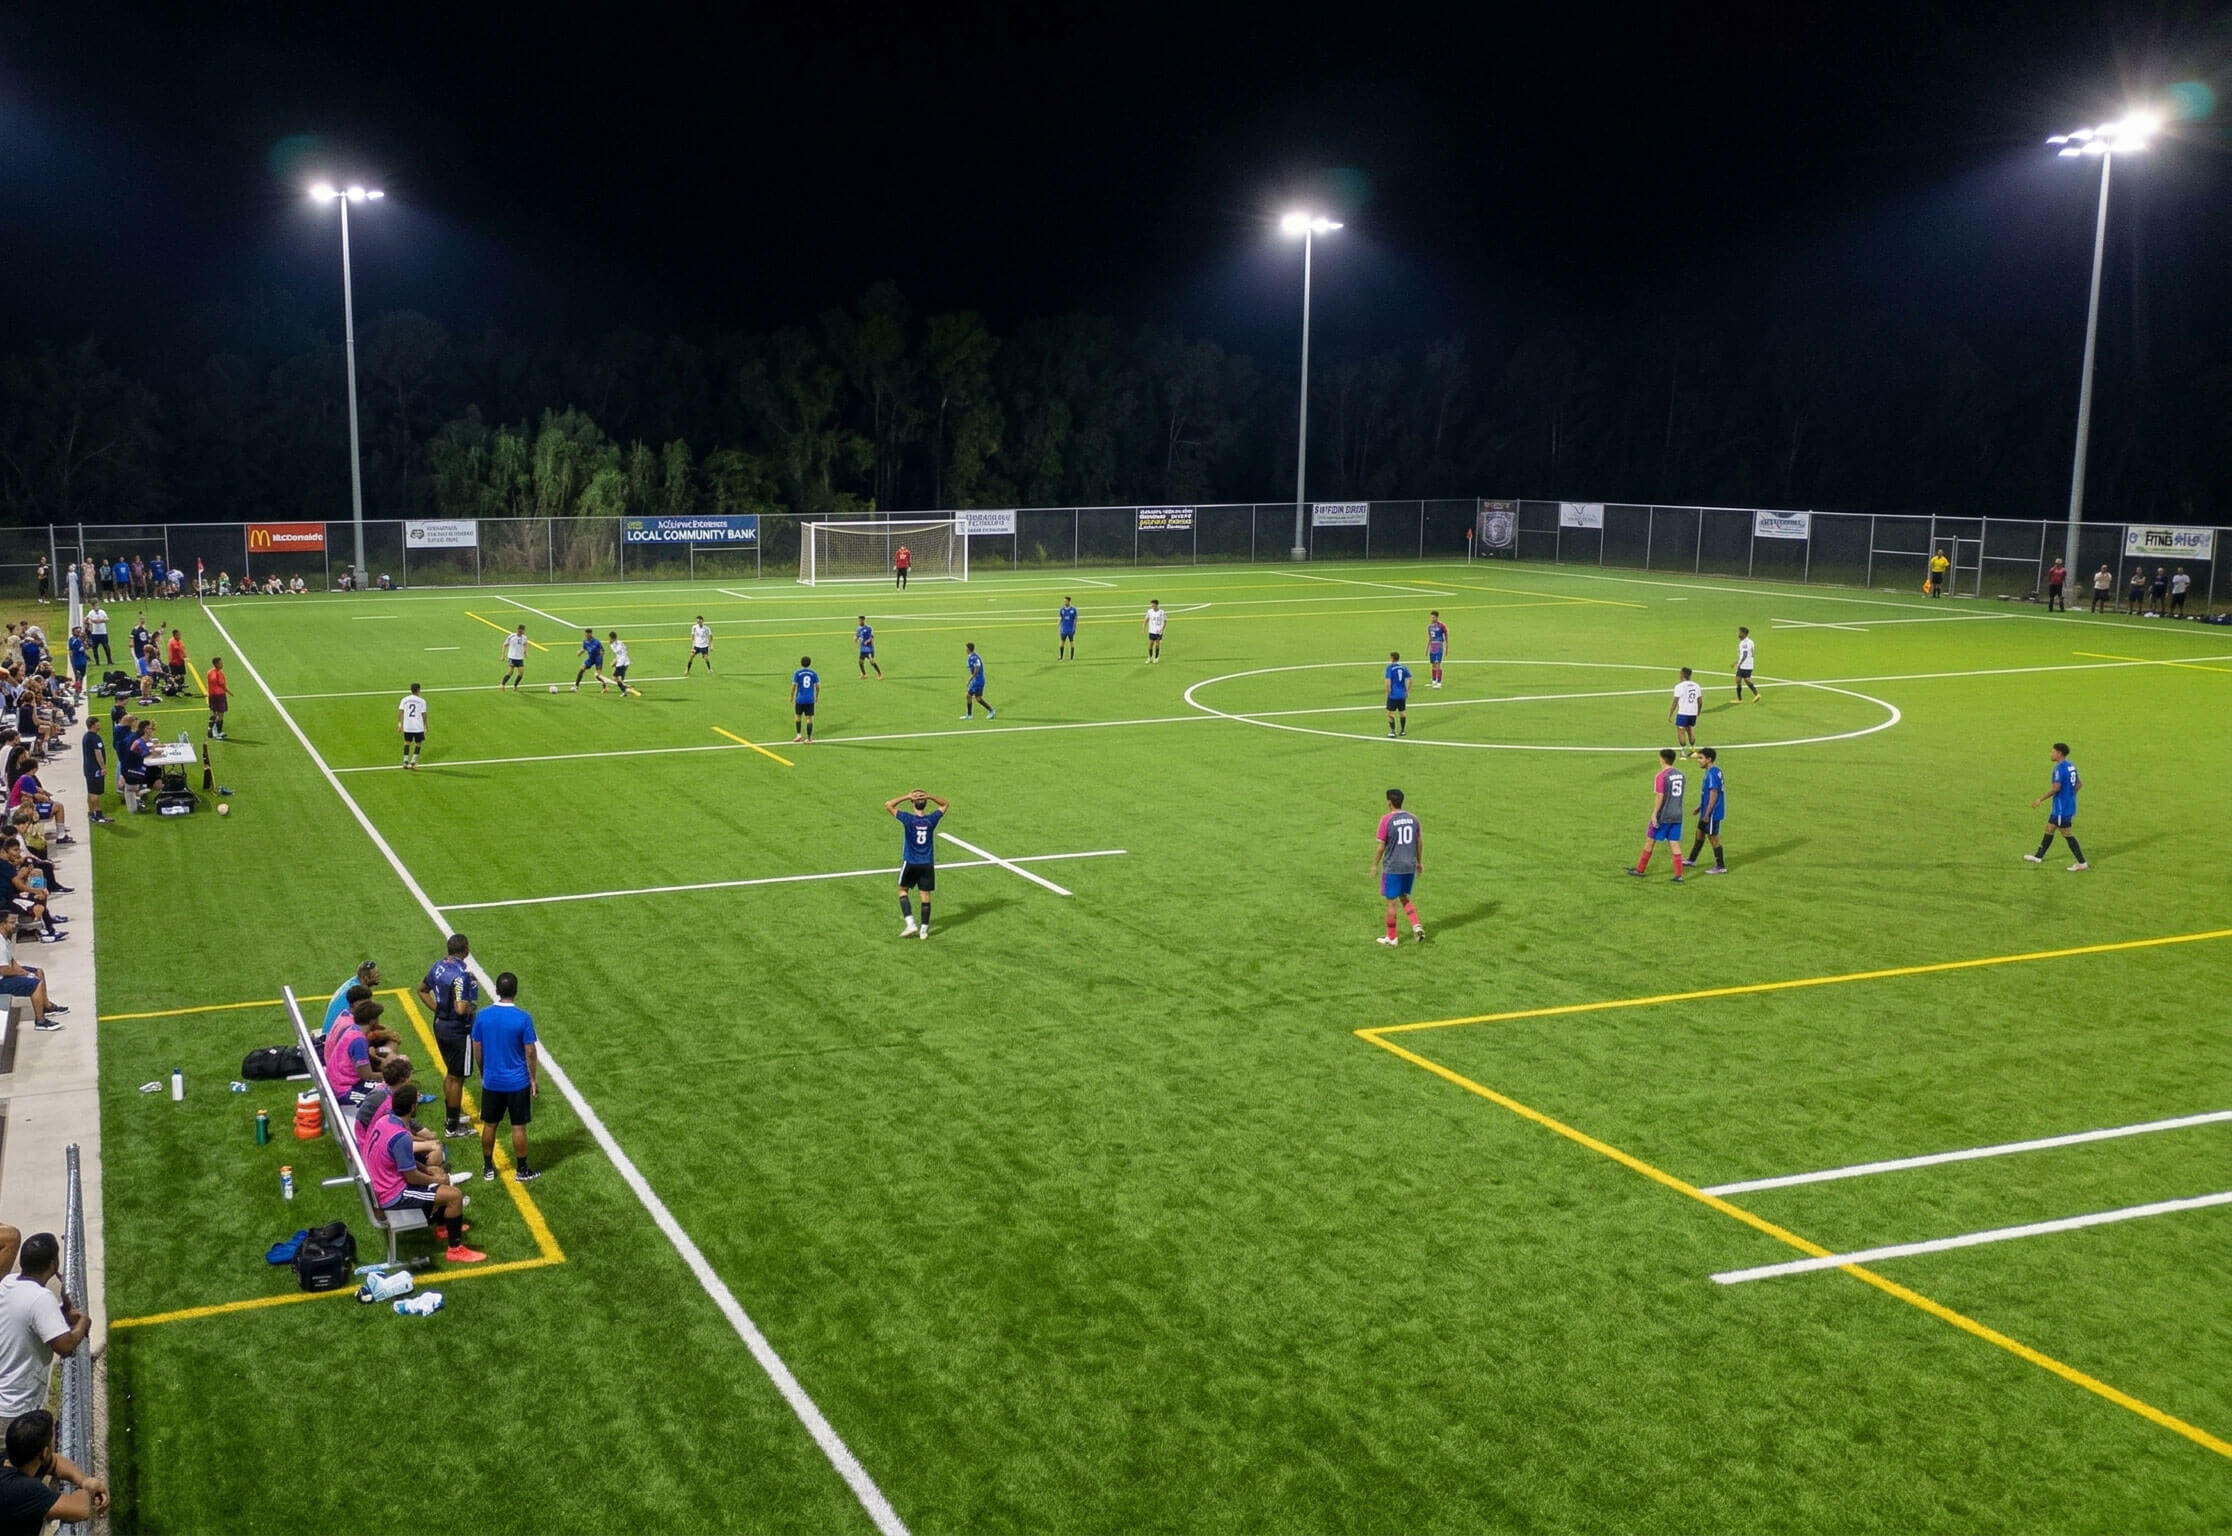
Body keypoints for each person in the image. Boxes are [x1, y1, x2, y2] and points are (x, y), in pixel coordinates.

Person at [365, 1089, 483, 1264]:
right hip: (393, 1194)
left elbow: (404, 1161)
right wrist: (436, 1180)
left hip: (383, 1182)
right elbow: (412, 1177)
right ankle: (455, 1250)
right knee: (454, 1196)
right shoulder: (401, 1137)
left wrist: (429, 1171)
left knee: (438, 1171)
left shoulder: (384, 1122)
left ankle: (443, 1228)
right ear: (413, 1107)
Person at [0, 1234, 89, 1435]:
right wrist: (83, 1324)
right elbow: (64, 1346)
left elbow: (27, 1319)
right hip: (15, 1409)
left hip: (6, 1403)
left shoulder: (8, 1283)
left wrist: (61, 1313)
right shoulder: (41, 1298)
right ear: (53, 1264)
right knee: (21, 1465)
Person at [471, 972, 541, 1183]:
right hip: (517, 1082)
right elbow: (530, 1051)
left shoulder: (483, 1016)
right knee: (518, 1127)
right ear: (516, 991)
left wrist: (484, 1073)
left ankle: (487, 1168)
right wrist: (534, 1079)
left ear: (497, 990)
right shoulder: (523, 1018)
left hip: (492, 1081)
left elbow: (477, 1048)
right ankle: (521, 1170)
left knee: (490, 1125)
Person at [0, 1409, 108, 1530]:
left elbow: (55, 1462)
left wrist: (84, 1481)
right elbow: (81, 1509)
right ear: (44, 1452)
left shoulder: (14, 1458)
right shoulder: (22, 1489)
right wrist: (91, 1488)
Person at [420, 934, 482, 1138]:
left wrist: (438, 1010)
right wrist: (472, 1002)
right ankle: (452, 1126)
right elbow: (461, 1008)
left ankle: (451, 1116)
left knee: (451, 1073)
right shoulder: (461, 975)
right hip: (457, 1030)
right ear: (466, 950)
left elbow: (422, 990)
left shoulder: (439, 966)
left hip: (440, 1025)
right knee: (457, 1078)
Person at [886, 789, 947, 939]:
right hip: (927, 863)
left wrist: (907, 796)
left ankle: (911, 923)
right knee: (925, 896)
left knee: (902, 890)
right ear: (925, 803)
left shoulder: (908, 819)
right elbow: (945, 804)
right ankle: (924, 930)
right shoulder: (931, 820)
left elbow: (889, 805)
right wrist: (930, 796)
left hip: (911, 862)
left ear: (913, 804)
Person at [1372, 788, 1425, 946]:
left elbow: (1381, 847)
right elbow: (1419, 841)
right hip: (1409, 865)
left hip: (1393, 867)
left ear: (1389, 802)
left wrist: (1374, 865)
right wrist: (1419, 862)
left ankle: (1392, 938)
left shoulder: (1386, 820)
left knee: (1391, 901)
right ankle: (1416, 926)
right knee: (1403, 896)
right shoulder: (1413, 818)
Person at [1628, 748, 1688, 883]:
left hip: (1664, 815)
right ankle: (1679, 875)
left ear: (1662, 759)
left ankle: (1640, 869)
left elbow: (1660, 796)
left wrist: (1654, 814)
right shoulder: (1681, 775)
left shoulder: (1661, 776)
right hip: (1677, 814)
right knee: (1674, 843)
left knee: (1650, 841)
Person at [2025, 742, 2087, 872]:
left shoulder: (2059, 769)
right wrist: (2070, 796)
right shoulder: (2071, 766)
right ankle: (2038, 857)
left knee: (2067, 834)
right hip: (2066, 806)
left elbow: (2056, 788)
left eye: (2052, 751)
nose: (2051, 754)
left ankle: (2082, 863)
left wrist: (2040, 800)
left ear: (2059, 753)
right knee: (2049, 828)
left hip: (2061, 809)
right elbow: (2079, 785)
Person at [0, 918, 65, 1029]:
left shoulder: (5, 939)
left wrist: (24, 972)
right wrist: (25, 975)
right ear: (2, 924)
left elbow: (11, 961)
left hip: (4, 976)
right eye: (11, 922)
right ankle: (40, 1021)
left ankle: (46, 1007)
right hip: (2, 980)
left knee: (38, 972)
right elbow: (3, 970)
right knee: (35, 984)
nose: (15, 925)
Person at [324, 997, 381, 1106]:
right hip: (343, 1091)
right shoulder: (359, 1041)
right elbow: (367, 1075)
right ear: (372, 1020)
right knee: (384, 1096)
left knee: (386, 1087)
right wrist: (390, 1076)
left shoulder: (353, 1030)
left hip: (341, 1083)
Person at [1688, 747, 1728, 873]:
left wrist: (1707, 813)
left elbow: (1714, 794)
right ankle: (1692, 859)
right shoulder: (1715, 771)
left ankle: (1720, 866)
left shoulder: (1711, 774)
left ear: (1709, 759)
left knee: (1713, 837)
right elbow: (1708, 794)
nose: (1698, 761)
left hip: (1712, 812)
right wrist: (1700, 807)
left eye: (1701, 758)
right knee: (1700, 832)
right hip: (1706, 810)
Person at [323, 962, 379, 1040]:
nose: (378, 976)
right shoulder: (359, 994)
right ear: (366, 978)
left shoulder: (353, 982)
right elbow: (368, 1023)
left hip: (329, 1033)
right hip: (334, 1037)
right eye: (375, 974)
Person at [80, 719, 111, 827]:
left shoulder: (86, 736)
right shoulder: (94, 738)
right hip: (95, 769)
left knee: (92, 791)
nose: (100, 724)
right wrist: (103, 767)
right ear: (93, 725)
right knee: (95, 792)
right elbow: (98, 753)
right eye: (98, 723)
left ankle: (92, 812)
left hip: (89, 768)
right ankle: (97, 815)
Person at [1668, 666, 1703, 755]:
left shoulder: (1679, 686)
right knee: (1690, 729)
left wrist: (1671, 714)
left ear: (1682, 674)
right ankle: (1693, 749)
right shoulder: (1696, 686)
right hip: (1693, 713)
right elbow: (1700, 701)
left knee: (1681, 731)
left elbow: (1675, 701)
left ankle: (1683, 751)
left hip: (1683, 712)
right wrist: (1698, 711)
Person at [397, 683, 428, 770]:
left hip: (407, 726)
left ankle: (405, 761)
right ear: (418, 690)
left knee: (407, 742)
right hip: (418, 727)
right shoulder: (422, 701)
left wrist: (399, 723)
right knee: (418, 743)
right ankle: (413, 762)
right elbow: (424, 714)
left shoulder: (404, 699)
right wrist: (425, 726)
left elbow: (400, 711)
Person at [960, 642, 995, 719]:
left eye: (966, 648)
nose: (965, 650)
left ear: (969, 649)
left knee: (975, 697)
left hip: (978, 681)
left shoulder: (974, 658)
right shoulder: (971, 657)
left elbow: (977, 669)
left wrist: (970, 679)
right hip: (976, 681)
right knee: (972, 697)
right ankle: (970, 715)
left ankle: (991, 711)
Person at [790, 655, 820, 744]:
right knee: (809, 718)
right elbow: (818, 686)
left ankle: (798, 735)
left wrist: (791, 696)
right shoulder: (813, 673)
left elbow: (794, 686)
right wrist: (817, 696)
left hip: (800, 699)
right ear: (810, 663)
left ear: (801, 663)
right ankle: (809, 738)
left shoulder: (797, 673)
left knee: (798, 716)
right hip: (810, 699)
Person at [1384, 651, 1411, 738]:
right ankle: (1403, 731)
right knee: (1402, 712)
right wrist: (1407, 691)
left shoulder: (1390, 668)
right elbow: (1410, 678)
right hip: (1402, 694)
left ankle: (1393, 731)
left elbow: (1388, 681)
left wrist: (1388, 692)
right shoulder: (1403, 667)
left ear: (1392, 658)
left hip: (1393, 695)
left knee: (1390, 713)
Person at [573, 628, 607, 693]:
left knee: (598, 676)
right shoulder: (585, 642)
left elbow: (602, 650)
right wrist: (580, 652)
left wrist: (601, 656)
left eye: (587, 633)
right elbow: (584, 648)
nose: (586, 635)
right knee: (581, 669)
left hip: (598, 658)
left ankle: (605, 686)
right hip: (590, 658)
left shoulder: (597, 642)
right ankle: (576, 686)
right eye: (585, 633)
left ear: (590, 634)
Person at [204, 655, 228, 740]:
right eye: (220, 663)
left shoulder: (210, 672)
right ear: (216, 664)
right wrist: (228, 691)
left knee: (214, 713)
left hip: (212, 695)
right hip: (219, 695)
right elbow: (221, 684)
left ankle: (210, 729)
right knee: (220, 714)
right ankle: (218, 732)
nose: (222, 664)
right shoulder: (218, 674)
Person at [1734, 627, 1760, 702]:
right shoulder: (1750, 641)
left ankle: (1756, 694)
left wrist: (1739, 663)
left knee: (1746, 680)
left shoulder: (1744, 643)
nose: (1738, 634)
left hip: (1744, 665)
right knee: (1738, 680)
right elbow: (1752, 653)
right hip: (1748, 664)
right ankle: (1740, 699)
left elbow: (1745, 655)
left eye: (1740, 633)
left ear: (1744, 634)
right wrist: (1736, 662)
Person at [499, 624, 528, 690]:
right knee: (510, 672)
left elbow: (525, 644)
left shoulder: (524, 637)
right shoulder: (512, 636)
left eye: (522, 631)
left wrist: (525, 652)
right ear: (518, 630)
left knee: (521, 673)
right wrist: (502, 655)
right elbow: (504, 645)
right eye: (520, 630)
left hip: (520, 658)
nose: (521, 632)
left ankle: (515, 686)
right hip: (512, 657)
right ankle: (502, 684)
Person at [1425, 611, 1448, 688]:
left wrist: (1447, 647)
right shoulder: (1429, 626)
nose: (1432, 618)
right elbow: (1430, 638)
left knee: (1438, 664)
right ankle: (1434, 681)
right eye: (1431, 617)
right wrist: (1427, 648)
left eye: (1433, 617)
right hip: (1432, 647)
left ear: (1437, 617)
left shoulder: (1441, 625)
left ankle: (1439, 682)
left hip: (1439, 646)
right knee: (1433, 664)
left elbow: (1446, 635)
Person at [65, 628, 87, 700]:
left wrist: (84, 642)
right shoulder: (72, 640)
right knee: (78, 677)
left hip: (83, 661)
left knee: (82, 676)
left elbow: (86, 647)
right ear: (73, 632)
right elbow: (72, 649)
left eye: (79, 631)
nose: (78, 633)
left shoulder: (81, 640)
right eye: (77, 631)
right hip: (77, 661)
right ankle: (77, 693)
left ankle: (79, 690)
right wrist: (72, 662)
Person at [608, 632, 632, 696]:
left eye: (609, 638)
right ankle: (624, 686)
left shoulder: (613, 645)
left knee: (614, 677)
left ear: (611, 638)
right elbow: (625, 649)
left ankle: (624, 690)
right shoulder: (620, 642)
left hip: (621, 662)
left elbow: (617, 651)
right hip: (626, 661)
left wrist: (615, 661)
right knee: (619, 676)